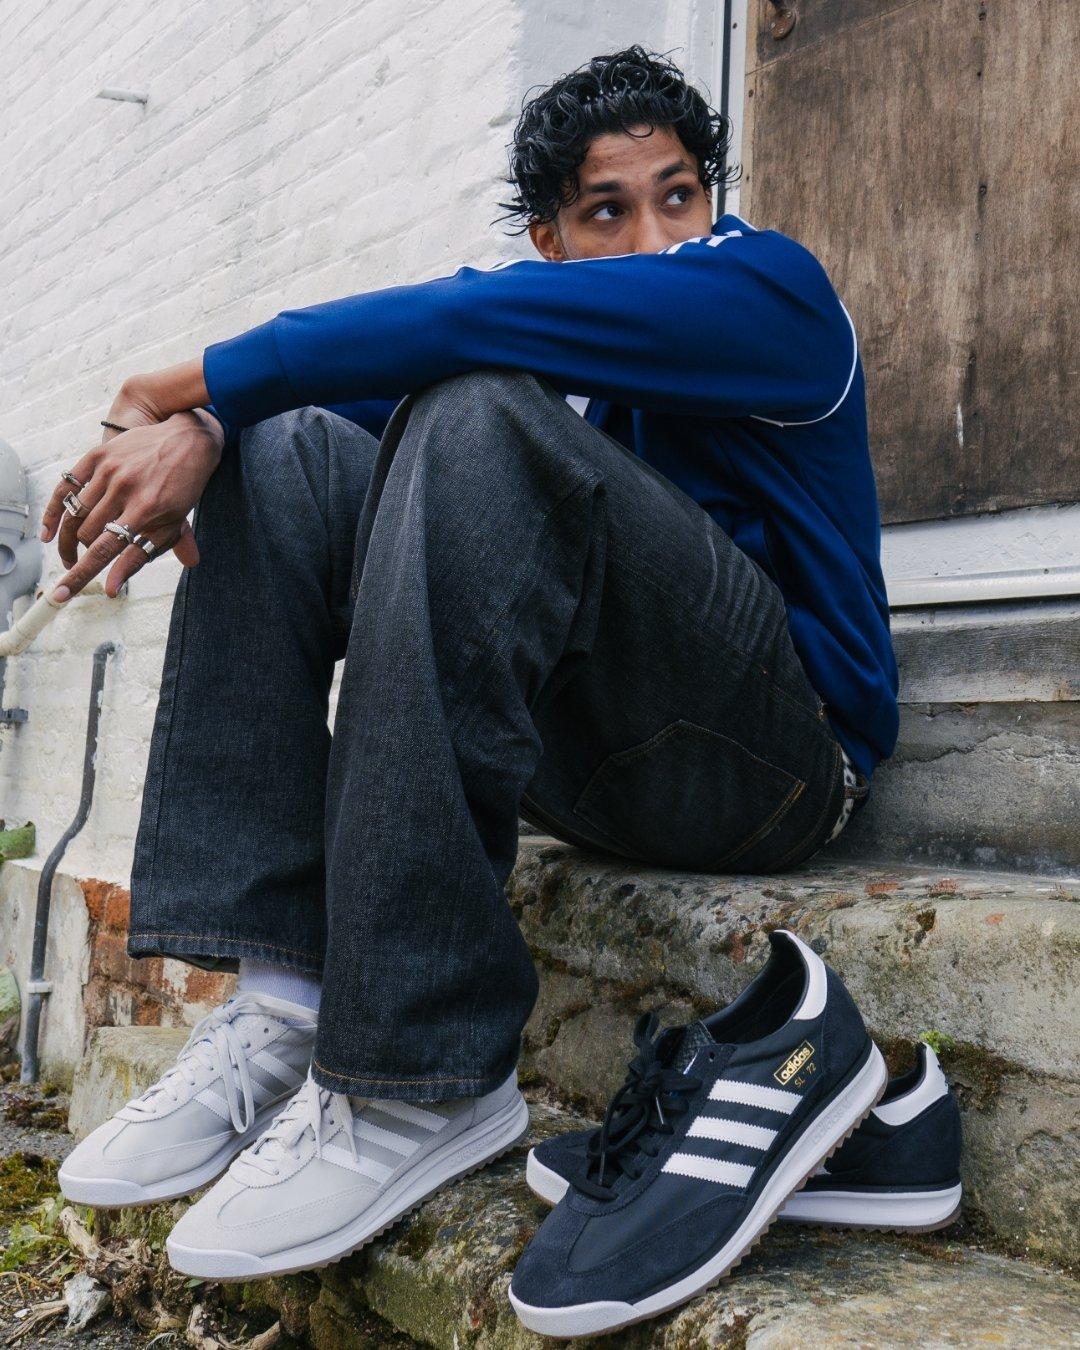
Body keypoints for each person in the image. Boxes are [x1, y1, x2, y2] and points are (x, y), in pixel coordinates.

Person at [52, 46, 896, 1286]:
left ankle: (419, 1077)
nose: (656, 239)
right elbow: (341, 410)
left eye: (678, 196)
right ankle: (284, 997)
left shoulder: (771, 293)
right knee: (288, 451)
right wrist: (217, 424)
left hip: (776, 769)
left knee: (475, 407)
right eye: (607, 213)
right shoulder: (572, 364)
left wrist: (191, 379)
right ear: (550, 242)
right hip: (602, 764)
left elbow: (462, 320)